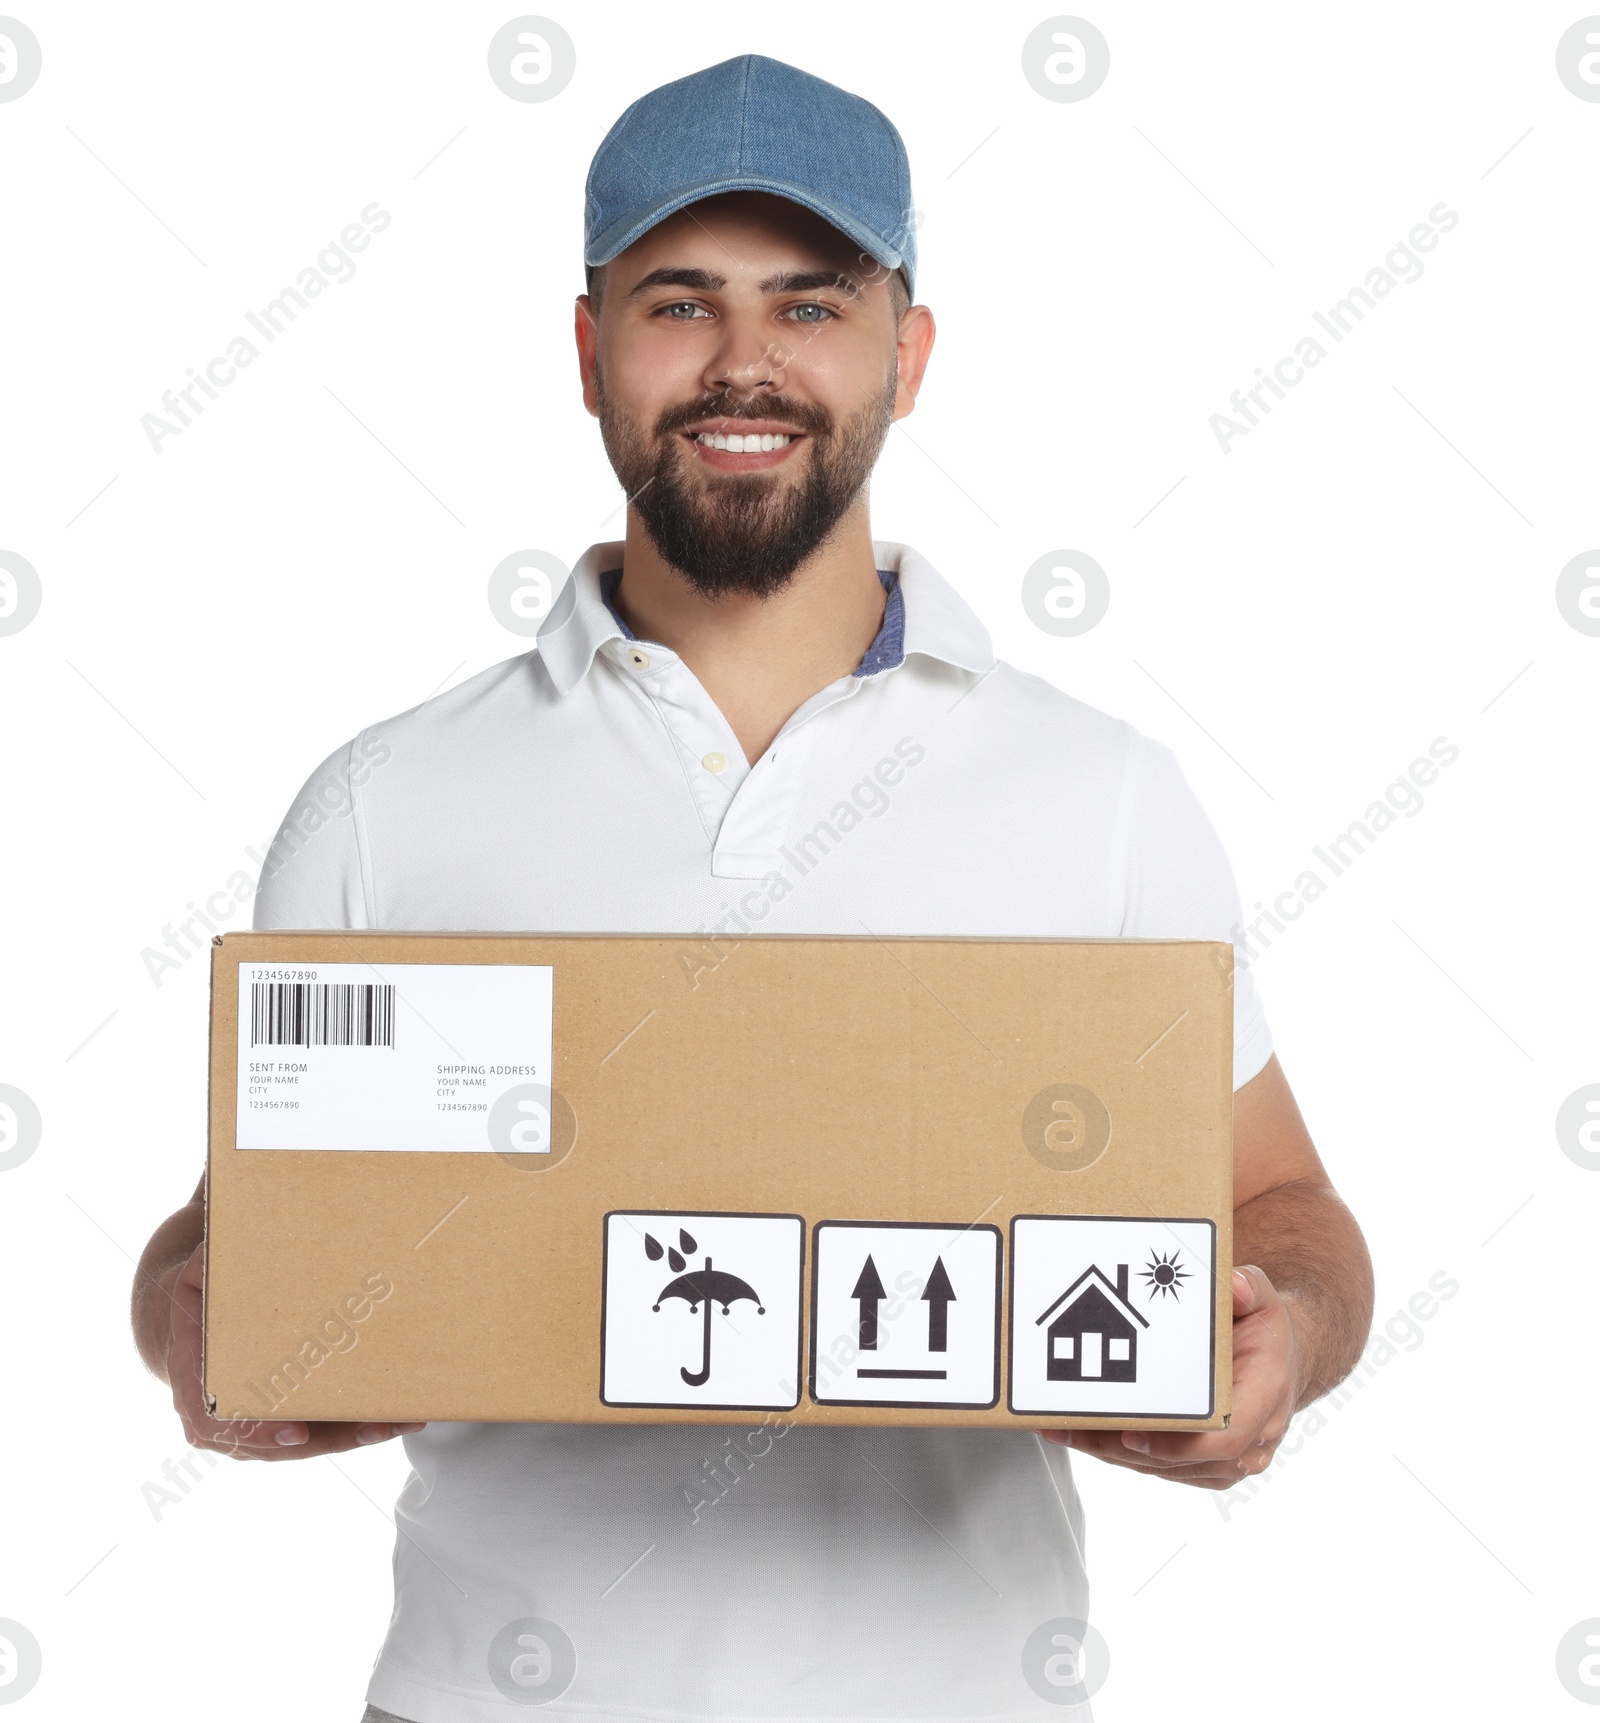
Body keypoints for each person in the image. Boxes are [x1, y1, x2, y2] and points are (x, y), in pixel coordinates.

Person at [133, 54, 1373, 1722]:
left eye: (810, 306)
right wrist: (194, 1333)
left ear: (907, 356)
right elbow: (235, 1232)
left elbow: (1288, 1211)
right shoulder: (385, 801)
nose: (744, 365)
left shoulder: (1103, 798)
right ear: (586, 354)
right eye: (678, 303)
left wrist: (1280, 1331)